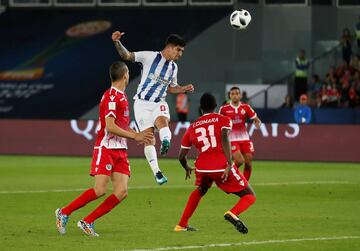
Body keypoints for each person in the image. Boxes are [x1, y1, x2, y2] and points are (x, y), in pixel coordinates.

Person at [55, 62, 153, 237]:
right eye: (129, 72)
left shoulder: (122, 96)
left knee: (122, 192)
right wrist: (135, 136)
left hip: (120, 150)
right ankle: (64, 212)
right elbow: (110, 127)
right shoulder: (111, 97)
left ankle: (87, 221)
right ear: (125, 75)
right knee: (100, 189)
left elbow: (120, 125)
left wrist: (138, 134)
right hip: (106, 148)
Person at [112, 31, 194, 185]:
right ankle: (157, 172)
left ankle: (165, 142)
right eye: (179, 50)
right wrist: (117, 42)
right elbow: (127, 56)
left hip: (159, 102)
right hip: (142, 104)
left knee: (162, 121)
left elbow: (171, 88)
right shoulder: (149, 57)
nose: (180, 54)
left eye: (182, 51)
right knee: (148, 138)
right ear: (169, 48)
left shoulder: (173, 68)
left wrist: (183, 88)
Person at [174, 93, 256, 233]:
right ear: (215, 106)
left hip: (202, 167)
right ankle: (233, 213)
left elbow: (181, 156)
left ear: (200, 108)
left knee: (201, 189)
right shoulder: (224, 120)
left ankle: (181, 225)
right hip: (220, 166)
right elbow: (224, 138)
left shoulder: (192, 127)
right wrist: (229, 163)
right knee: (250, 195)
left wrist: (186, 167)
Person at [219, 87, 261, 181]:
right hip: (231, 139)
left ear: (240, 95)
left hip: (245, 138)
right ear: (229, 96)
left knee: (249, 162)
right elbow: (218, 123)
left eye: (237, 93)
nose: (235, 95)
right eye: (232, 94)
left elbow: (256, 119)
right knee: (239, 160)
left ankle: (245, 183)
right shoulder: (224, 109)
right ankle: (226, 173)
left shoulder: (245, 107)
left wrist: (257, 123)